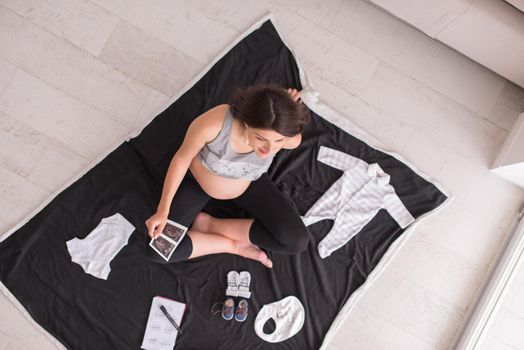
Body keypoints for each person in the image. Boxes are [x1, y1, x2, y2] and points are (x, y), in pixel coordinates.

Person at [145, 85, 310, 268]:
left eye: (278, 141)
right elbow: (182, 159)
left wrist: (287, 112)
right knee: (158, 250)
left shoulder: (286, 138)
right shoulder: (213, 125)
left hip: (249, 182)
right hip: (198, 185)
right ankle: (233, 245)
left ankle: (210, 226)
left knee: (296, 241)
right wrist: (163, 210)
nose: (268, 150)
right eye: (261, 138)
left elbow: (292, 136)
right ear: (247, 123)